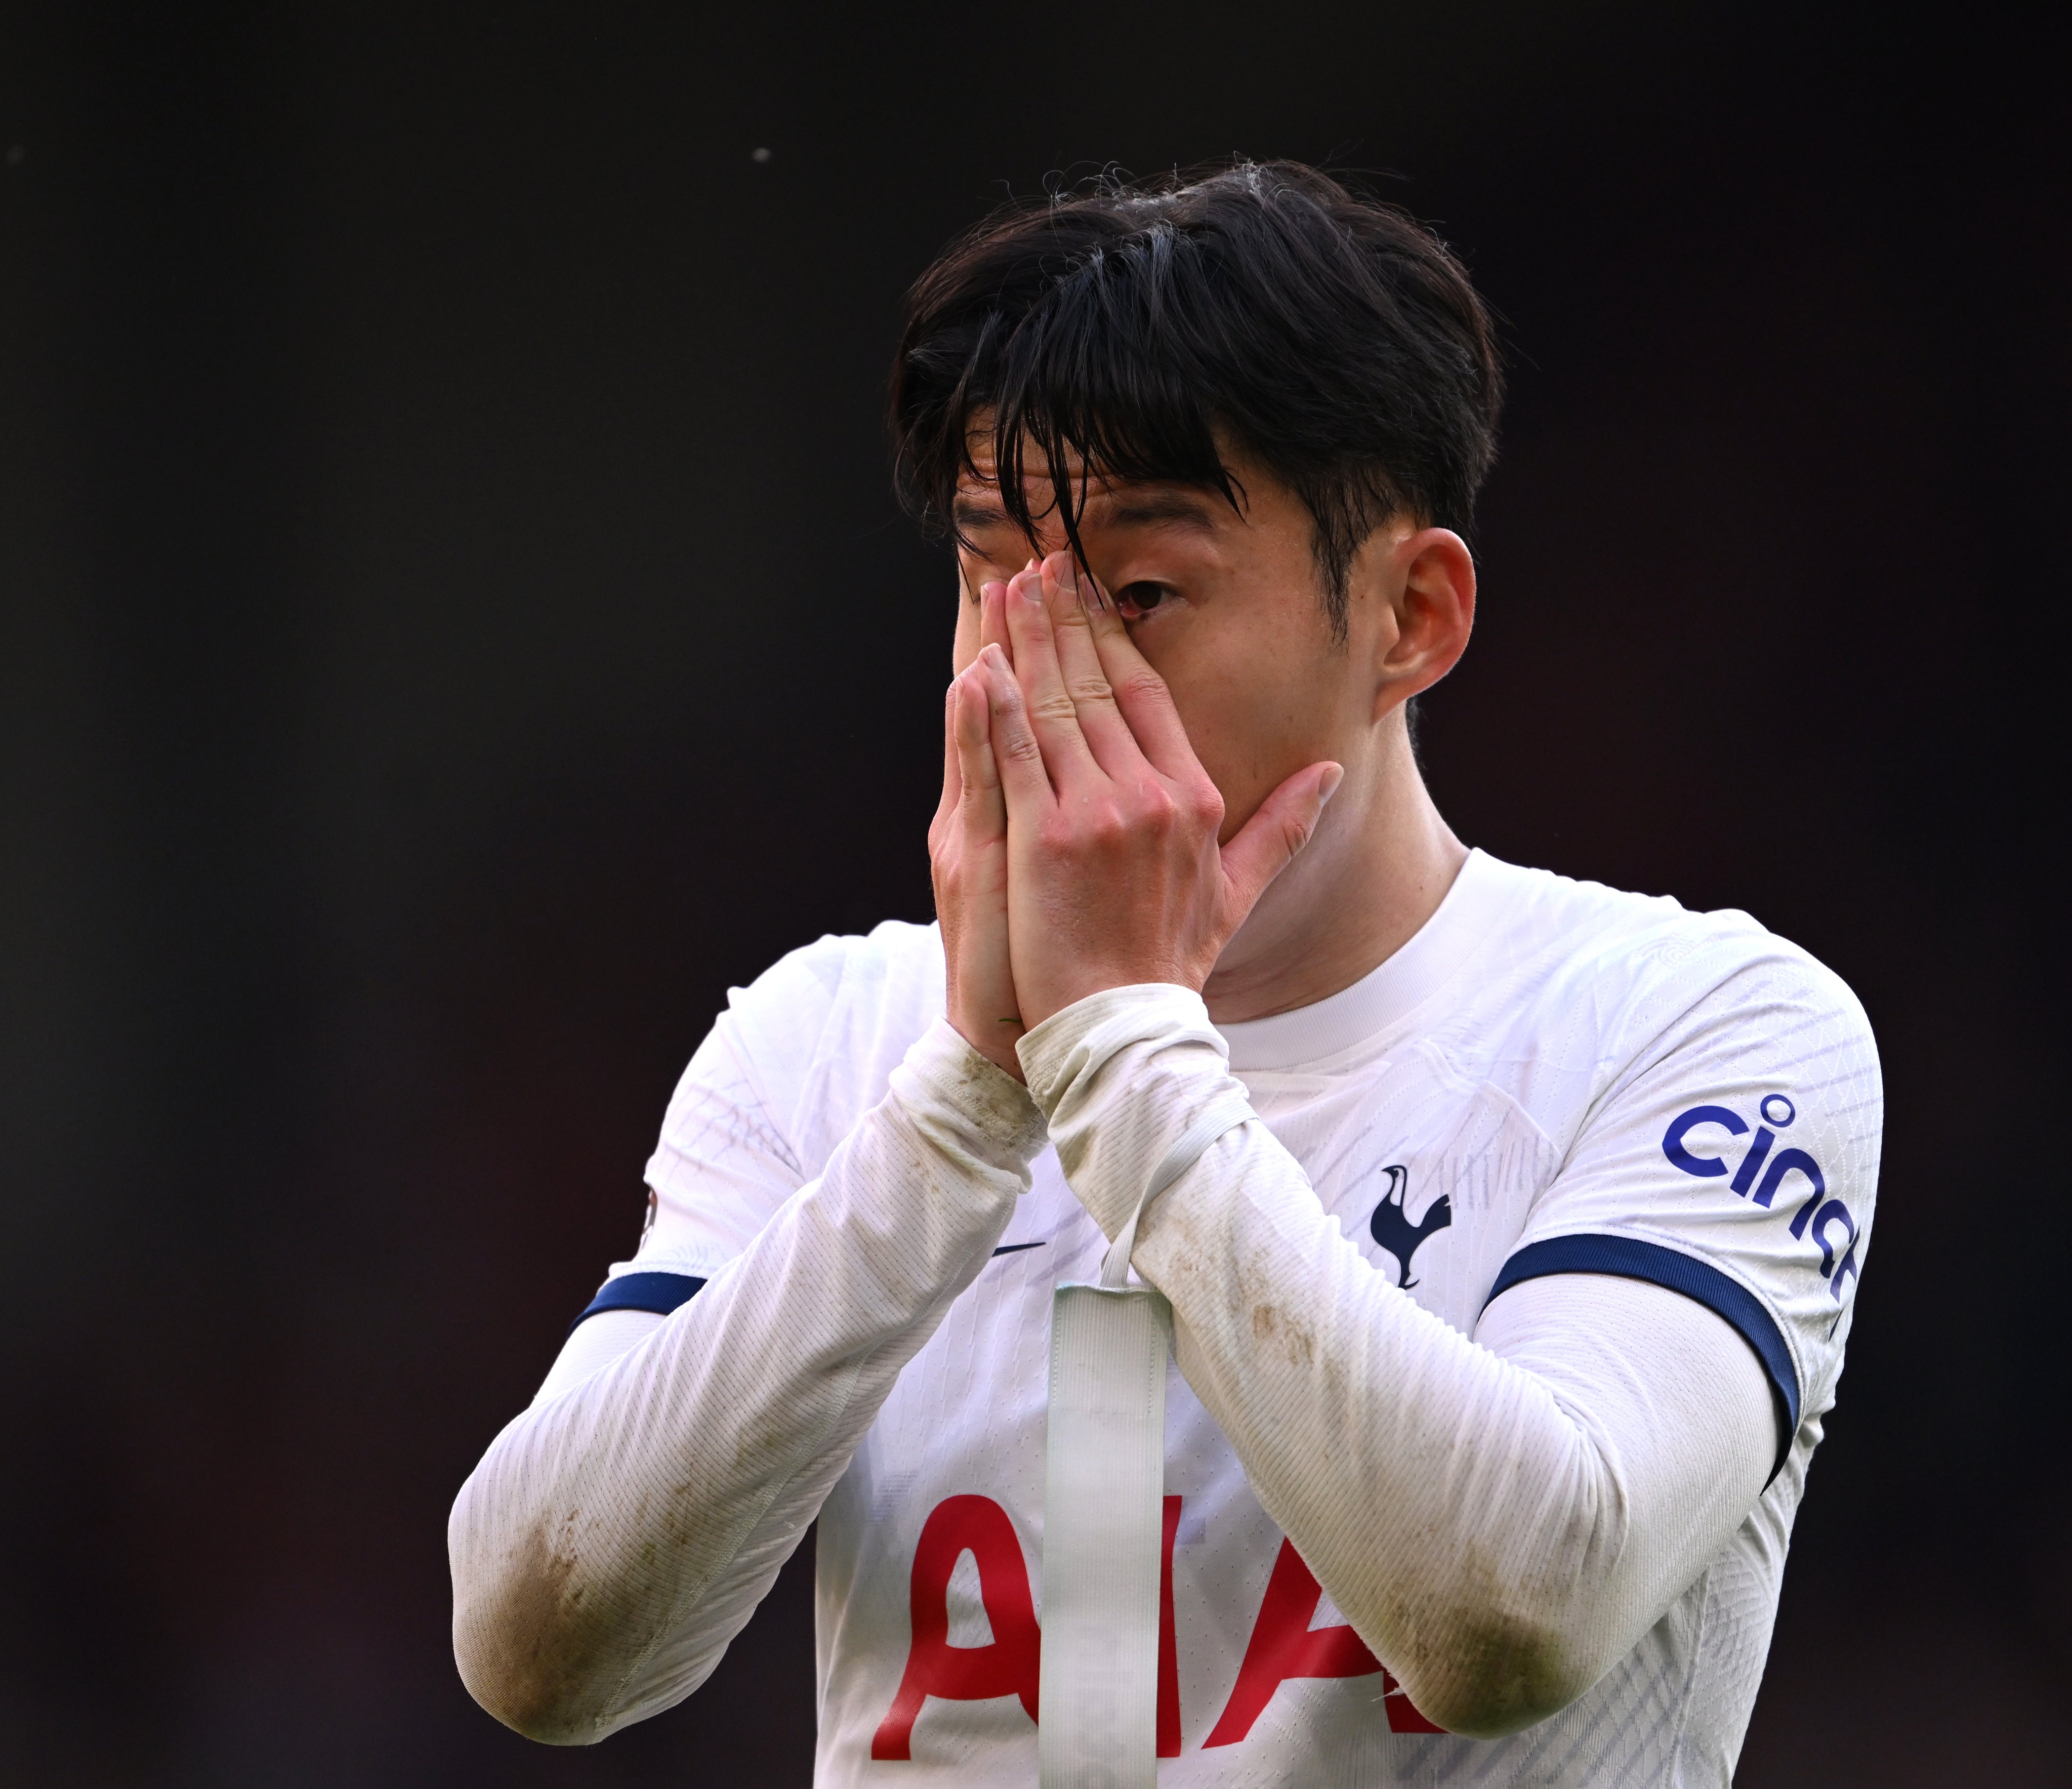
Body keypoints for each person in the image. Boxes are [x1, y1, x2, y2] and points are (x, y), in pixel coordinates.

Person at [448, 160, 1882, 1786]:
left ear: (1411, 616)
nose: (1035, 681)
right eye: (997, 579)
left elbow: (1513, 1611)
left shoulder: (1696, 1029)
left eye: (1140, 594)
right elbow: (532, 1650)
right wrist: (968, 1104)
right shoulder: (823, 1046)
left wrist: (1120, 1050)